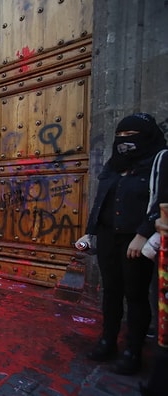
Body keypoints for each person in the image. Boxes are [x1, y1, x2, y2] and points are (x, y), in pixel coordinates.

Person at [76, 113, 166, 375]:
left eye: (131, 136)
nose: (125, 141)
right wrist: (90, 233)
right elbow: (101, 198)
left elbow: (162, 199)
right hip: (107, 236)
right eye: (121, 136)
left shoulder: (158, 162)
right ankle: (107, 341)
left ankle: (133, 351)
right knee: (111, 291)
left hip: (135, 239)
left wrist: (143, 233)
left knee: (136, 295)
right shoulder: (114, 164)